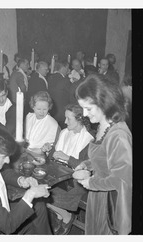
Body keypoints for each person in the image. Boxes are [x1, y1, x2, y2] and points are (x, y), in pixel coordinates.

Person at [74, 74, 132, 235]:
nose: (85, 115)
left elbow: (122, 178)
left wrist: (91, 183)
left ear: (104, 103)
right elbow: (104, 157)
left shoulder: (119, 134)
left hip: (111, 203)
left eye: (89, 108)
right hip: (98, 197)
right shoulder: (102, 125)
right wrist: (86, 164)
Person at [42, 104, 94, 234]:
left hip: (76, 181)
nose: (65, 122)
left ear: (80, 119)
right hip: (59, 174)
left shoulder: (89, 139)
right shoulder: (65, 132)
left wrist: (67, 158)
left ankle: (66, 216)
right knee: (39, 187)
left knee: (46, 196)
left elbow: (87, 167)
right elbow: (53, 156)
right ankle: (61, 214)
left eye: (68, 119)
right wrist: (47, 150)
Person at [48, 60, 72, 129]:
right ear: (63, 68)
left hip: (52, 112)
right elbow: (71, 95)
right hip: (62, 113)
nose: (68, 70)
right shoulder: (65, 81)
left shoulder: (50, 78)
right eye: (67, 68)